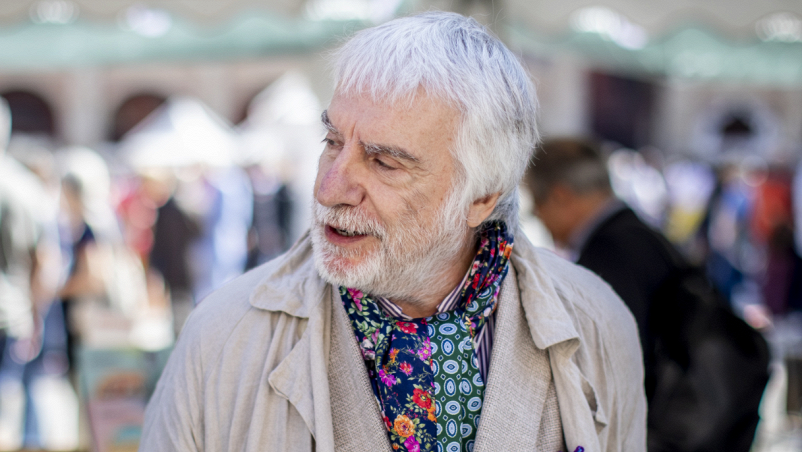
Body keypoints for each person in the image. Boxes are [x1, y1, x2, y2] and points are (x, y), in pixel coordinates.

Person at [140, 13, 646, 452]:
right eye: (332, 141)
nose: (330, 188)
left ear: (481, 197)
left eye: (384, 162)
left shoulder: (597, 324)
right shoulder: (224, 336)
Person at [525, 138, 769, 452]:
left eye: (537, 203)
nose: (538, 216)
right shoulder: (637, 234)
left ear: (561, 196)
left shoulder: (610, 250)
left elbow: (612, 367)